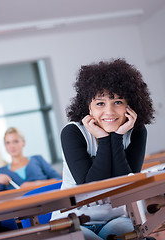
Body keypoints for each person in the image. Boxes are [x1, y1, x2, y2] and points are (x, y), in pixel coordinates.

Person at [51, 59, 155, 240]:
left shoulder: (137, 132)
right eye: (100, 103)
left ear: (130, 105)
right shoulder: (73, 132)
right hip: (73, 219)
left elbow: (127, 184)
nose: (109, 112)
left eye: (118, 102)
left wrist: (115, 138)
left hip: (115, 218)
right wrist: (104, 140)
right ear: (87, 106)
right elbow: (89, 186)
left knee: (132, 235)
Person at [0, 127, 61, 191]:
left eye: (15, 141)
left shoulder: (37, 159)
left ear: (23, 142)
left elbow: (59, 179)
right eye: (8, 143)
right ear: (5, 146)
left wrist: (35, 184)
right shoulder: (2, 171)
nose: (12, 146)